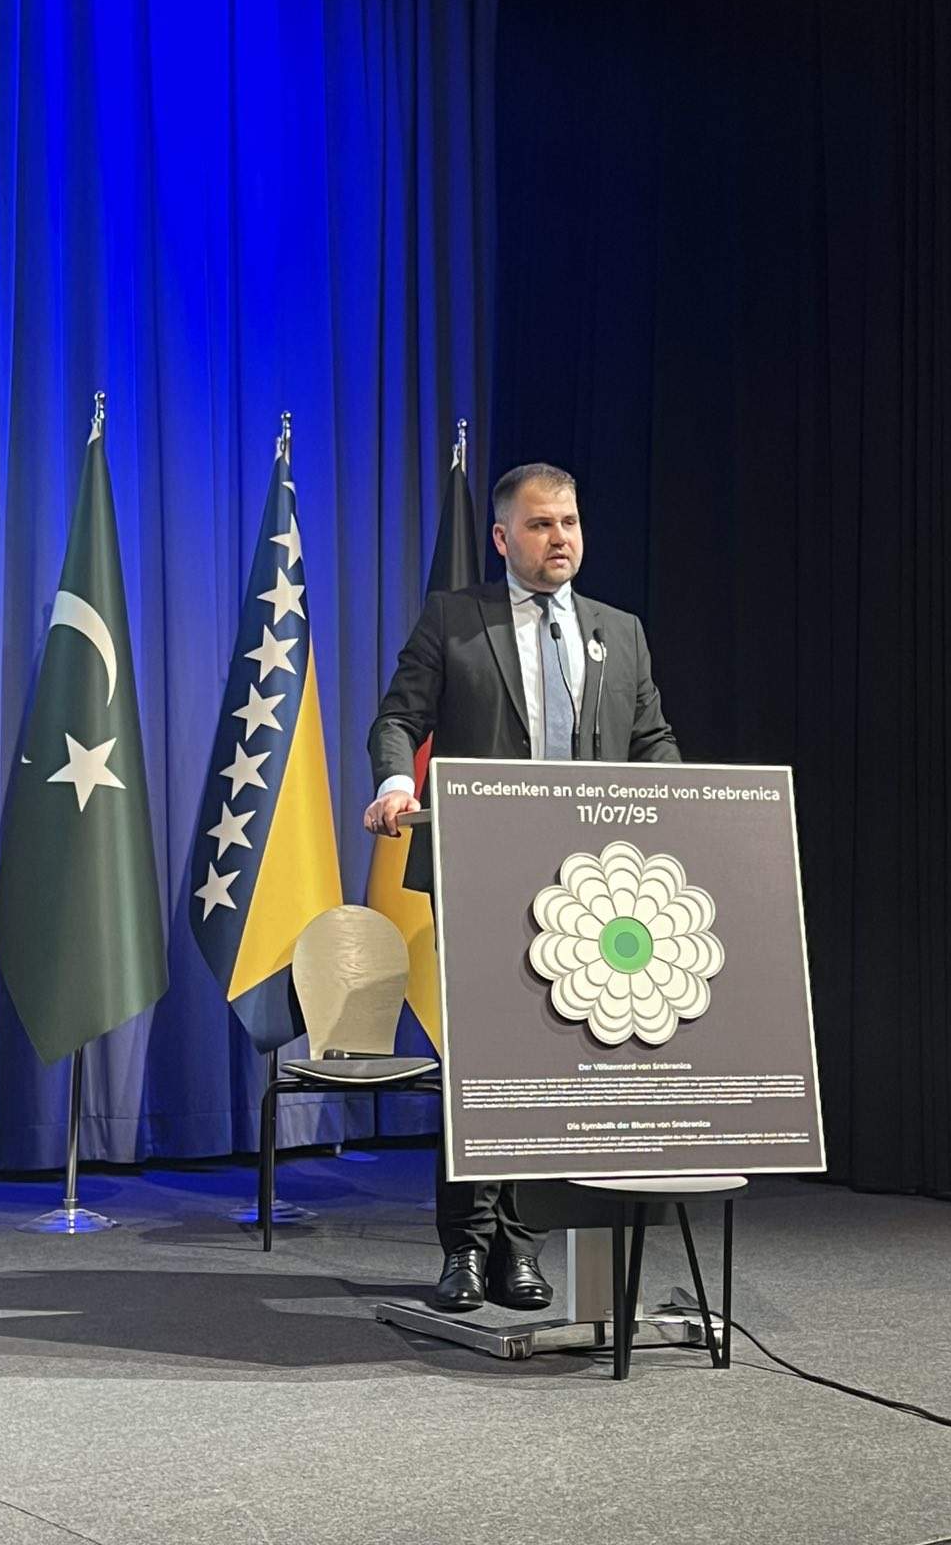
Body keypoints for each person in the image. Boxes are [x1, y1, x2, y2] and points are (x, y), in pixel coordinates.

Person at [364, 462, 681, 1311]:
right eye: (541, 525)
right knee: (483, 1065)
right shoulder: (455, 619)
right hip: (482, 871)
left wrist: (684, 801)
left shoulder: (620, 631)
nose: (559, 539)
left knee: (553, 1065)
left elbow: (651, 740)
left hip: (594, 885)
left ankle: (524, 1245)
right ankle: (467, 1248)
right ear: (504, 538)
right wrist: (396, 784)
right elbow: (399, 718)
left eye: (569, 522)